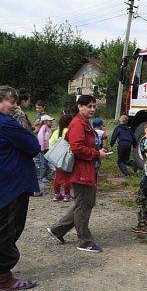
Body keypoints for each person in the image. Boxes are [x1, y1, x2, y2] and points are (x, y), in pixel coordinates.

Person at [47, 95, 110, 253]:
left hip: (84, 169)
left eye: (94, 106)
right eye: (89, 106)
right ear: (80, 106)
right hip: (80, 170)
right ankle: (84, 241)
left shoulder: (82, 122)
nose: (92, 109)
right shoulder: (77, 124)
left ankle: (57, 230)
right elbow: (77, 148)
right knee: (84, 204)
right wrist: (97, 154)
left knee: (83, 203)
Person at [0, 86, 40, 290]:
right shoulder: (6, 123)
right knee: (8, 230)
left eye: (16, 102)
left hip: (6, 182)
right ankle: (4, 279)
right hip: (11, 185)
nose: (15, 106)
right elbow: (34, 146)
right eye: (11, 102)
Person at [50, 114, 74, 202]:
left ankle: (56, 194)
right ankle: (67, 195)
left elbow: (51, 143)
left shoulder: (56, 132)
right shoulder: (69, 131)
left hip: (57, 157)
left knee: (57, 176)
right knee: (67, 177)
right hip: (66, 157)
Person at [37, 114, 54, 183]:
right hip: (43, 148)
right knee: (43, 163)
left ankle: (46, 176)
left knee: (47, 162)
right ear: (45, 122)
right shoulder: (44, 127)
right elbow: (40, 137)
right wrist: (42, 147)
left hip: (47, 148)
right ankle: (42, 177)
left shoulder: (48, 128)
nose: (51, 122)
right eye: (50, 121)